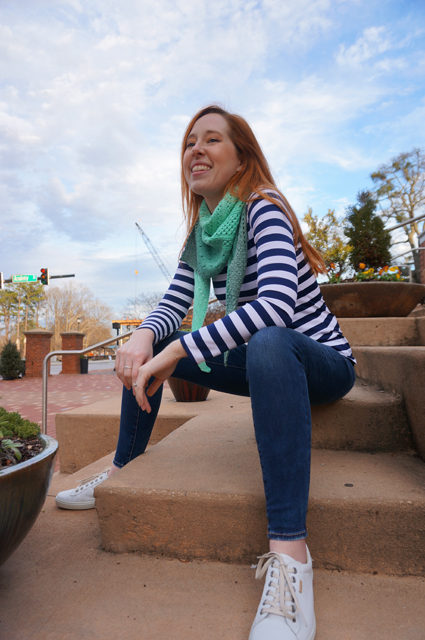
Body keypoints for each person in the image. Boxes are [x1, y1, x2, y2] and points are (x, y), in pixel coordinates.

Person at [56, 105, 356, 640]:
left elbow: (278, 308)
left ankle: (290, 556)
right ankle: (123, 468)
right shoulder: (202, 234)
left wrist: (175, 353)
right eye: (189, 142)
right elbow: (172, 302)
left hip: (320, 361)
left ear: (242, 156)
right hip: (268, 363)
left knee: (262, 340)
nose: (195, 149)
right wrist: (147, 337)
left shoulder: (264, 207)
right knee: (162, 341)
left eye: (211, 140)